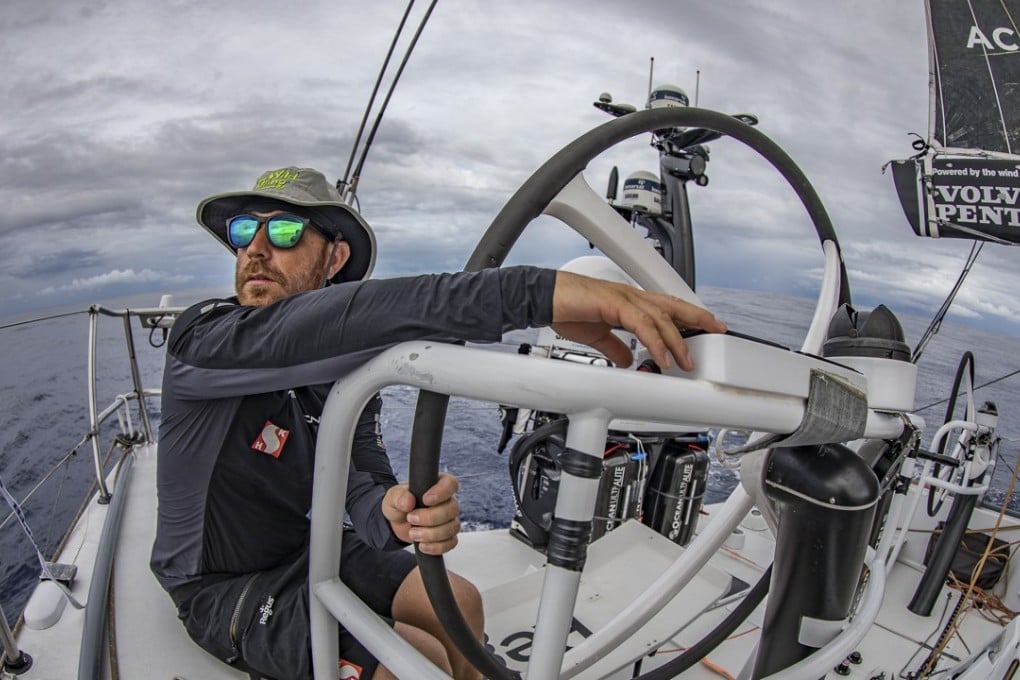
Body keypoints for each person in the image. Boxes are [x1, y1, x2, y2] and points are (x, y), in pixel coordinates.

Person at [150, 166, 726, 680]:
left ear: (335, 258)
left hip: (308, 547)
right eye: (243, 233)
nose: (255, 249)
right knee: (412, 660)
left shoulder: (342, 379)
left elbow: (362, 490)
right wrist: (539, 294)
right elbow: (366, 315)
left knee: (459, 603)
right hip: (219, 586)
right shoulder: (203, 339)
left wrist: (397, 514)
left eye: (282, 233)